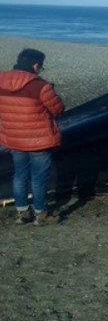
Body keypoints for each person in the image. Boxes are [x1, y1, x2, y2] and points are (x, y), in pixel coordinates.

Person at [0, 48, 65, 225]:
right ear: (36, 65)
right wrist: (51, 91)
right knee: (38, 178)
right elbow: (58, 109)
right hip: (39, 141)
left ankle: (22, 213)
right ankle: (41, 214)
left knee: (19, 175)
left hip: (14, 138)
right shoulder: (40, 86)